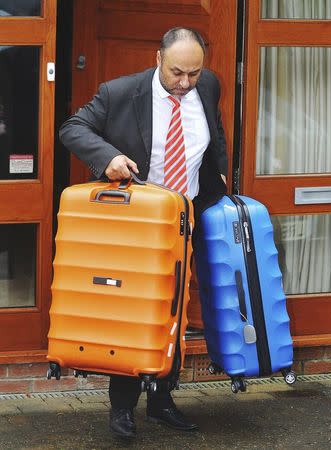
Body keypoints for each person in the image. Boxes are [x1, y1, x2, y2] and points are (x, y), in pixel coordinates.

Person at [59, 27, 228, 439]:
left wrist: (220, 175)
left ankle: (162, 400)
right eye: (177, 74)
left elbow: (215, 135)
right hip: (135, 225)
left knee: (173, 311)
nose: (186, 83)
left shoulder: (207, 86)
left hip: (183, 220)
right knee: (131, 312)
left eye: (193, 73)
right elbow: (71, 128)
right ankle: (122, 410)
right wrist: (109, 157)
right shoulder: (119, 92)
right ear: (158, 58)